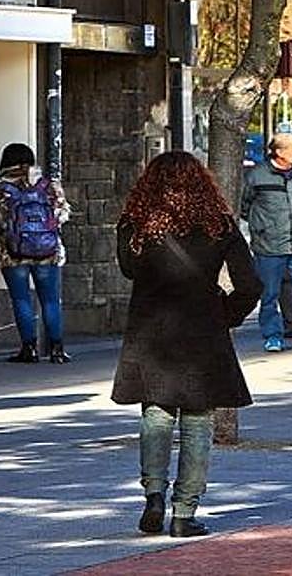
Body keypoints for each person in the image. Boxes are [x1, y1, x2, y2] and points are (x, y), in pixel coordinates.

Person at [112, 152, 261, 538]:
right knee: (198, 418)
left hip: (151, 328)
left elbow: (129, 269)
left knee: (156, 412)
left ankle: (154, 494)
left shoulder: (136, 223)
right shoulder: (218, 224)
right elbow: (250, 285)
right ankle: (184, 511)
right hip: (202, 329)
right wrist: (225, 313)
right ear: (202, 184)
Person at [0, 143, 72, 364]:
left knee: (21, 299)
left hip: (12, 253)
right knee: (50, 300)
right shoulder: (49, 186)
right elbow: (63, 214)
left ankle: (29, 349)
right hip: (48, 252)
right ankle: (57, 349)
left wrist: (2, 229)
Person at [241, 132, 292, 353]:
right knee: (269, 292)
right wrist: (261, 228)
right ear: (279, 152)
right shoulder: (258, 176)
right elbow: (245, 205)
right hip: (269, 245)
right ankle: (272, 335)